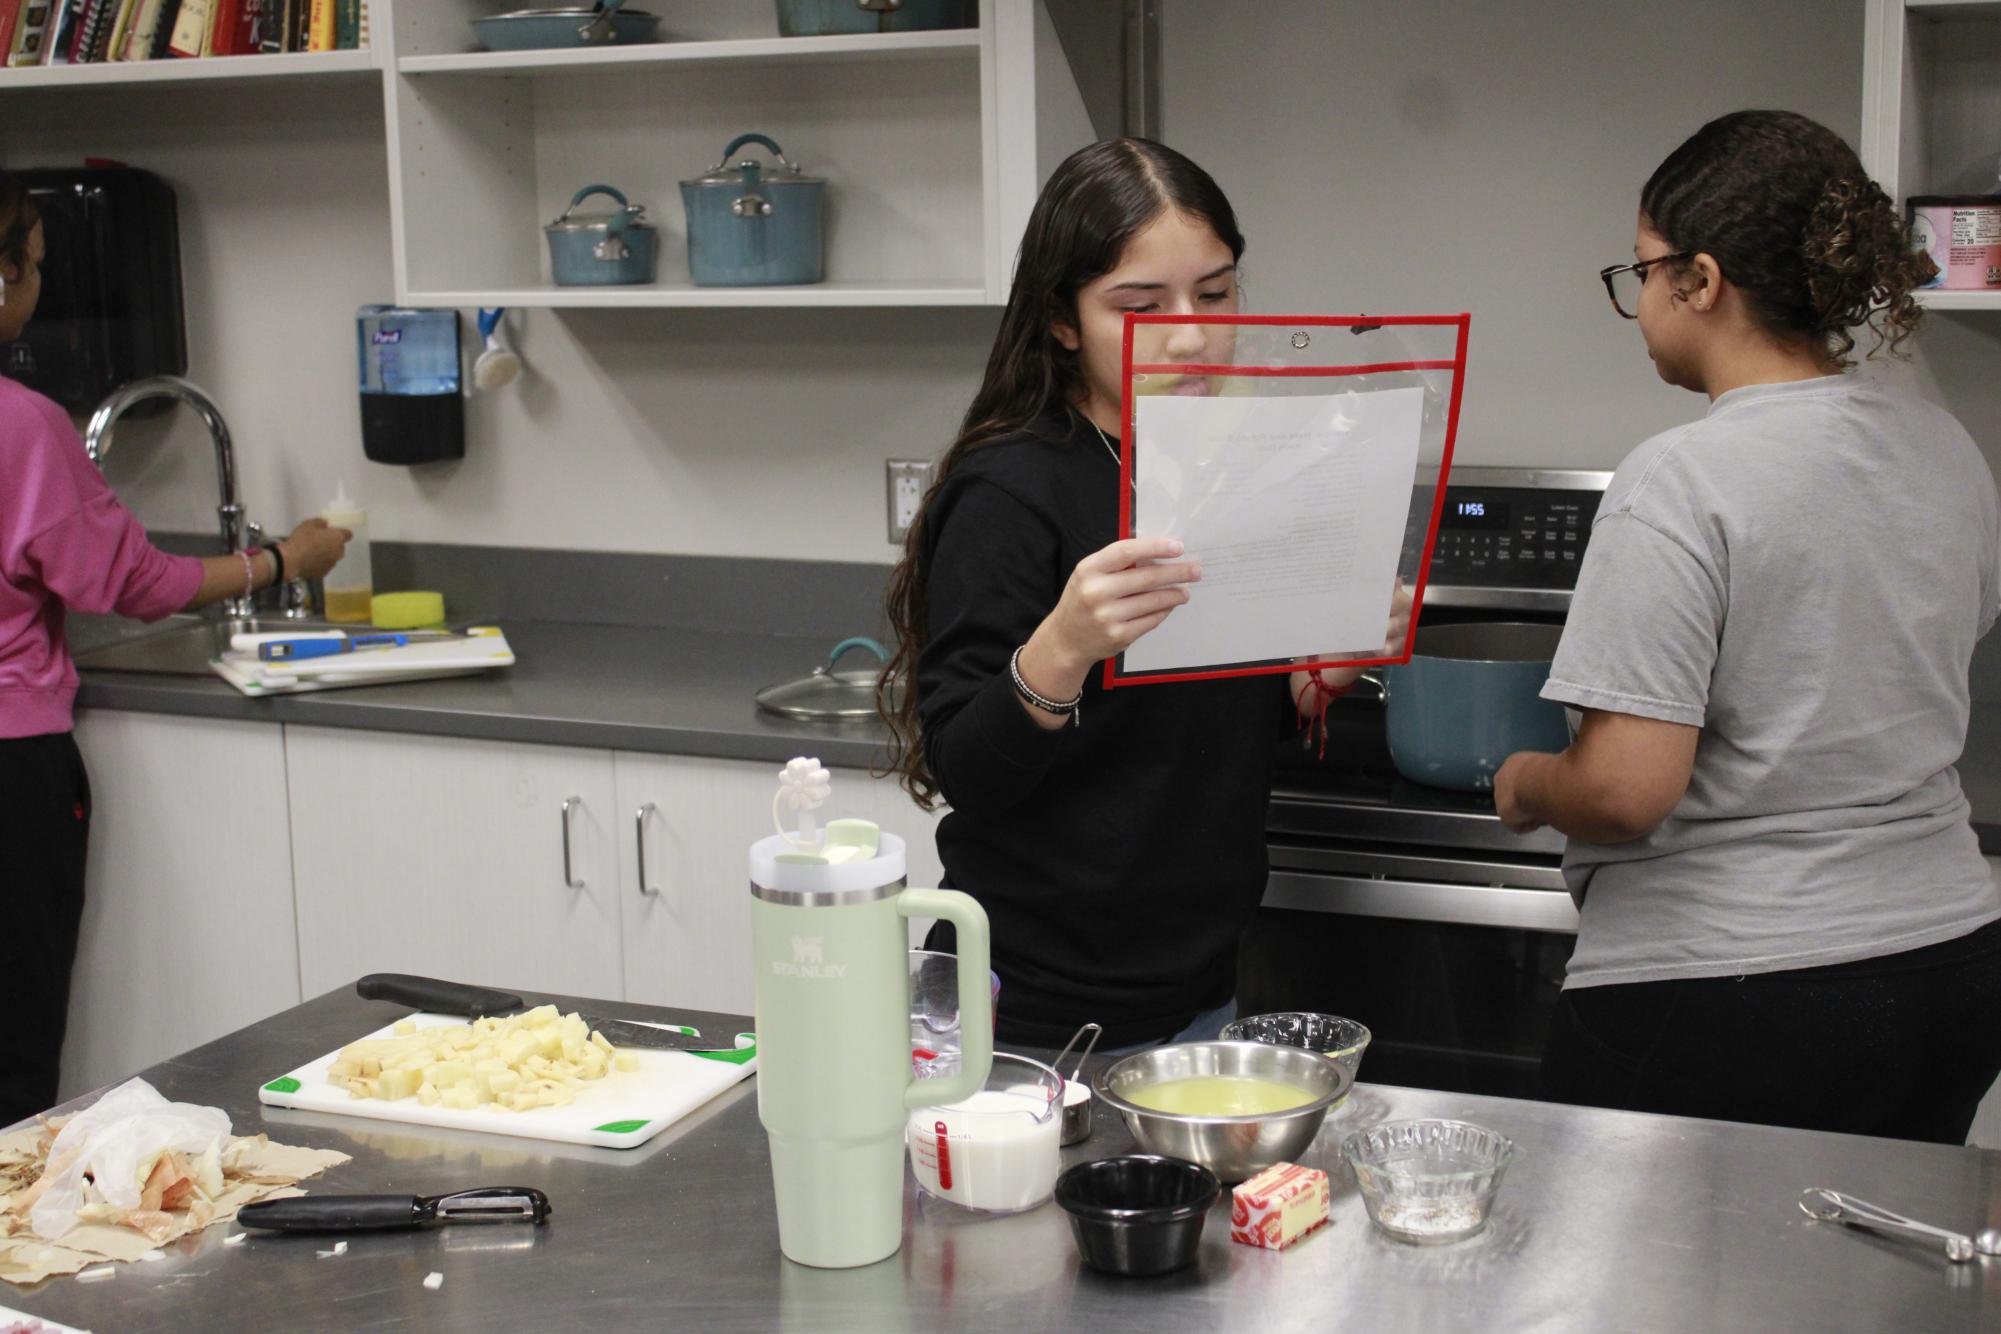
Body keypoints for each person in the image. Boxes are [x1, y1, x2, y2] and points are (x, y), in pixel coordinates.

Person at [1494, 111, 2001, 1144]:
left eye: (1641, 270)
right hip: (1949, 963)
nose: (1636, 300)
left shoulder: (1679, 479)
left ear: (1703, 280)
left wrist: (1524, 783)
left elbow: (1626, 789)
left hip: (1729, 985)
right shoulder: (1943, 444)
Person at [880, 139, 1405, 1051]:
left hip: (1197, 986)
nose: (1193, 330)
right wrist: (1065, 644)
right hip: (1029, 1005)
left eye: (1215, 291)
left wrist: (1317, 675)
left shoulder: (1236, 467)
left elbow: (1194, 727)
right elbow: (964, 770)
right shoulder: (1012, 488)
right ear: (1062, 319)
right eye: (1140, 304)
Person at [1, 172, 351, 1127]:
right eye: (33, 266)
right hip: (9, 776)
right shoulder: (23, 427)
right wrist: (280, 559)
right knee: (11, 1059)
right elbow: (134, 585)